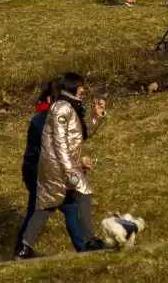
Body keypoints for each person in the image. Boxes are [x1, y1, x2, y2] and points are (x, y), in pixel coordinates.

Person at [16, 72, 108, 258]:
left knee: (47, 206)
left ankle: (24, 248)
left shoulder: (71, 107)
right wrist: (70, 167)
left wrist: (96, 116)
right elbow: (59, 141)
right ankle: (89, 242)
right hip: (58, 168)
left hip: (62, 166)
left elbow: (80, 135)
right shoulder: (61, 108)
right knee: (81, 194)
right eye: (80, 85)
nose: (83, 89)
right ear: (72, 86)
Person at [14, 79, 58, 255]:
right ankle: (22, 249)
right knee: (70, 206)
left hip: (40, 171)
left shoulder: (43, 115)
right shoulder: (43, 118)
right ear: (50, 99)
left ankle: (21, 249)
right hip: (41, 172)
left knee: (37, 209)